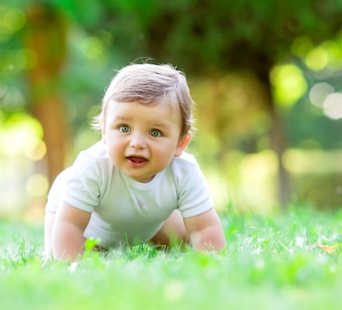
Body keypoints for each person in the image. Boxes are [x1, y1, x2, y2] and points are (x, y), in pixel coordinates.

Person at [44, 62, 226, 261]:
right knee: (66, 251)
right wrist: (71, 265)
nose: (137, 143)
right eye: (124, 128)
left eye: (155, 132)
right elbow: (70, 224)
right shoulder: (94, 166)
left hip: (146, 222)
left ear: (180, 143)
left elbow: (204, 228)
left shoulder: (184, 171)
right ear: (104, 131)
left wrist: (210, 263)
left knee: (181, 239)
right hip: (79, 221)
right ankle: (98, 250)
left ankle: (141, 239)